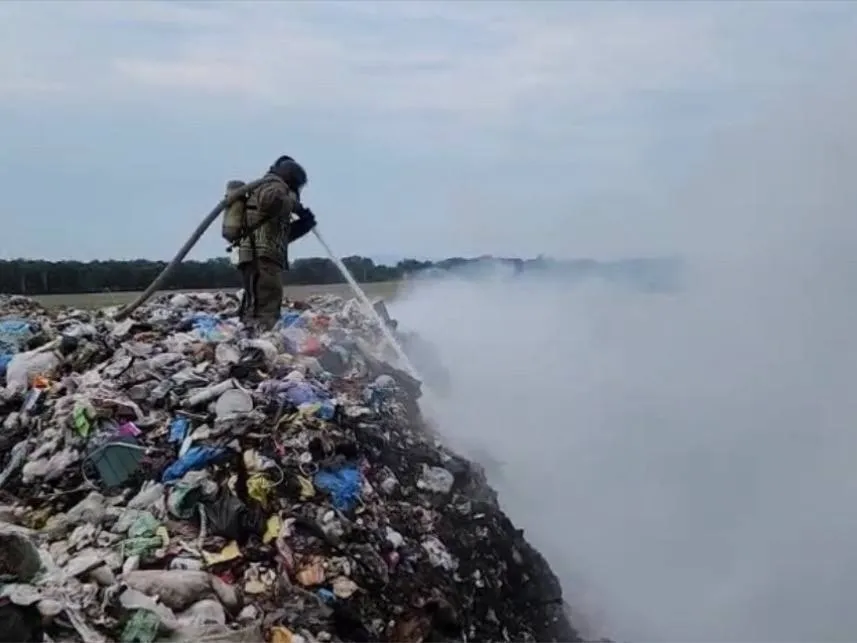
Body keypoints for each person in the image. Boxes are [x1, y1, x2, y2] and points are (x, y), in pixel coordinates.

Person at [237, 155, 317, 330]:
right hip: (258, 254)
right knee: (264, 299)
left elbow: (281, 235)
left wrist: (304, 224)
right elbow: (270, 201)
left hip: (266, 253)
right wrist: (296, 206)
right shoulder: (273, 185)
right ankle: (259, 334)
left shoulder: (277, 190)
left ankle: (257, 332)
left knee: (266, 297)